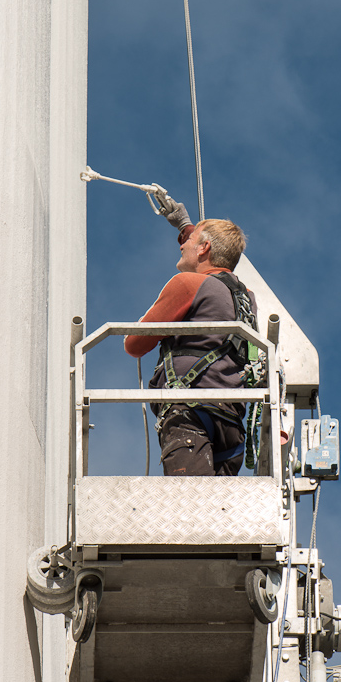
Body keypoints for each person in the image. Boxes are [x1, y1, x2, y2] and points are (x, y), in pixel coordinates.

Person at [124, 200, 257, 477]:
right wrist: (187, 228)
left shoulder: (187, 284)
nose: (182, 245)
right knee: (215, 514)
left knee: (188, 511)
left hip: (189, 414)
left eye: (190, 240)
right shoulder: (246, 299)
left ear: (205, 248)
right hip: (230, 424)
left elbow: (134, 344)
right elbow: (212, 271)